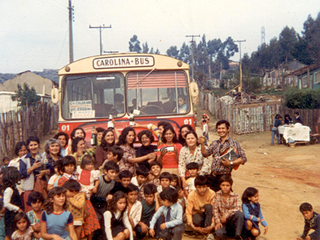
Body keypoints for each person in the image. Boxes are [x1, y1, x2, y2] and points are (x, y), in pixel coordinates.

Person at [200, 120, 247, 192]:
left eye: (223, 128)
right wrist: (202, 144)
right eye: (219, 128)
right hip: (213, 176)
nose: (220, 130)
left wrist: (230, 163)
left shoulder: (234, 144)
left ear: (228, 129)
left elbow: (243, 158)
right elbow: (205, 154)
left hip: (225, 177)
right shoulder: (214, 143)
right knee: (212, 198)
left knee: (226, 198)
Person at [91, 161, 119, 240]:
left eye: (116, 172)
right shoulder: (98, 180)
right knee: (97, 220)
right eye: (112, 172)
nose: (114, 174)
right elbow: (92, 197)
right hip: (93, 204)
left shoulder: (112, 183)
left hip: (102, 205)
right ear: (105, 171)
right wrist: (104, 199)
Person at [19, 136, 47, 212]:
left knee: (42, 209)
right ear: (28, 146)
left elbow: (49, 168)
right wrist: (32, 167)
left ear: (38, 145)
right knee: (29, 211)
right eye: (31, 145)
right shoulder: (23, 159)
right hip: (29, 188)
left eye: (35, 144)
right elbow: (21, 174)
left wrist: (44, 172)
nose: (33, 147)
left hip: (41, 186)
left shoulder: (42, 156)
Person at [212, 175, 244, 239]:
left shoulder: (235, 196)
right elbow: (215, 210)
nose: (225, 187)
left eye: (227, 185)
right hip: (221, 221)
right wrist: (218, 221)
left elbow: (237, 208)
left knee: (240, 214)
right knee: (219, 233)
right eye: (223, 185)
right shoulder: (216, 195)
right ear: (220, 186)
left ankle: (237, 235)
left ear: (231, 186)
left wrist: (226, 215)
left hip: (231, 220)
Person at [2, 167, 23, 240]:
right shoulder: (9, 189)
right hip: (10, 215)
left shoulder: (14, 188)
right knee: (9, 234)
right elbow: (6, 203)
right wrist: (18, 208)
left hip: (14, 215)